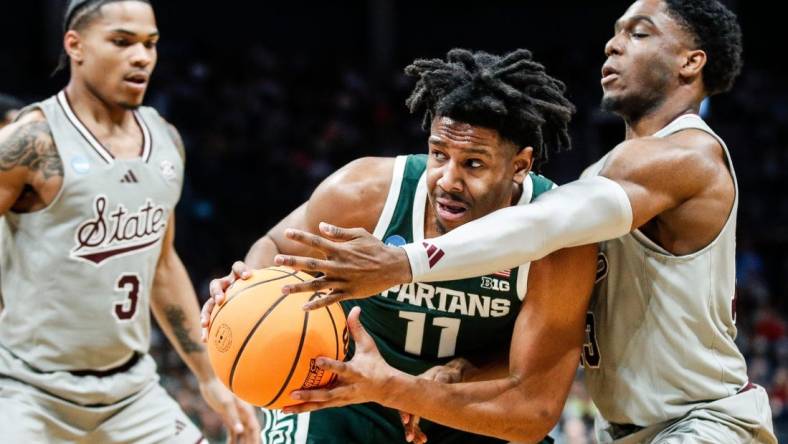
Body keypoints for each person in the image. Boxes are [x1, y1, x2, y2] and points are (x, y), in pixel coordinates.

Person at [262, 0, 777, 443]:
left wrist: (402, 262)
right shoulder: (609, 170)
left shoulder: (686, 155)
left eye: (638, 33)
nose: (612, 46)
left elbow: (539, 225)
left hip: (702, 421)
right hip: (632, 427)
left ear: (692, 62)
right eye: (615, 32)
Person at [202, 48, 598, 443]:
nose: (447, 180)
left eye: (473, 164)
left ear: (520, 165)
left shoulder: (559, 237)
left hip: (466, 405)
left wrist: (447, 378)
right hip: (346, 393)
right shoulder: (364, 194)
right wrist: (246, 285)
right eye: (438, 155)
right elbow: (274, 244)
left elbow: (534, 409)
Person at [0, 1, 259, 442]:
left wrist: (209, 375)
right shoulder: (32, 141)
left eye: (150, 44)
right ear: (75, 46)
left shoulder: (165, 140)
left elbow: (162, 266)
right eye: (122, 42)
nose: (141, 57)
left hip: (132, 392)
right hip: (29, 392)